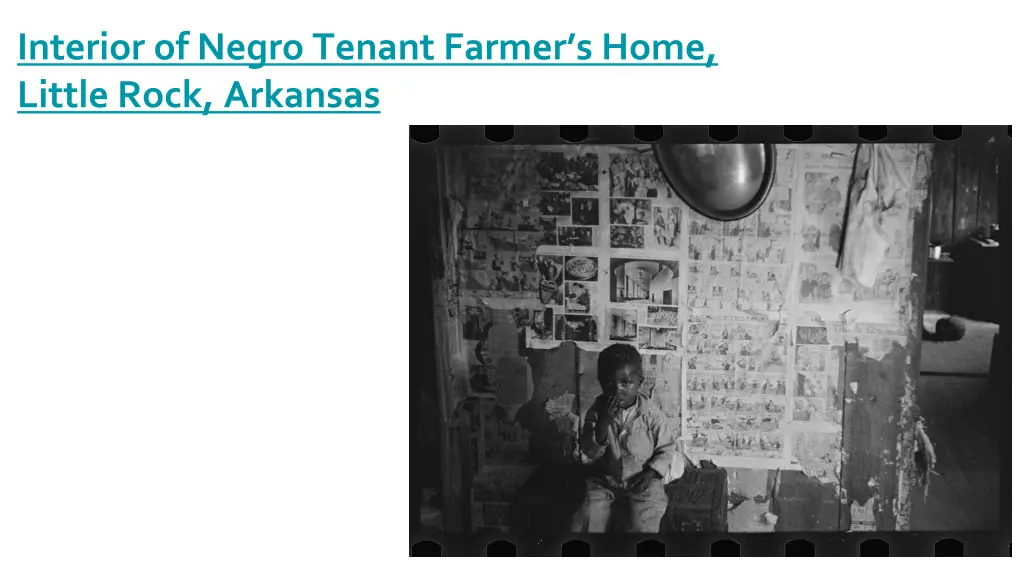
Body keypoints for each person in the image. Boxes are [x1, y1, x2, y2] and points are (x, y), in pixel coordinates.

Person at [570, 344, 674, 533]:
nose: (617, 390)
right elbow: (589, 452)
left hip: (642, 479)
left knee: (645, 520)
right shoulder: (596, 412)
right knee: (588, 516)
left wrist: (650, 473)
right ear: (600, 382)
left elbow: (666, 449)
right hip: (606, 479)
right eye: (609, 384)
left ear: (640, 382)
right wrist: (603, 424)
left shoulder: (652, 414)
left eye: (626, 383)